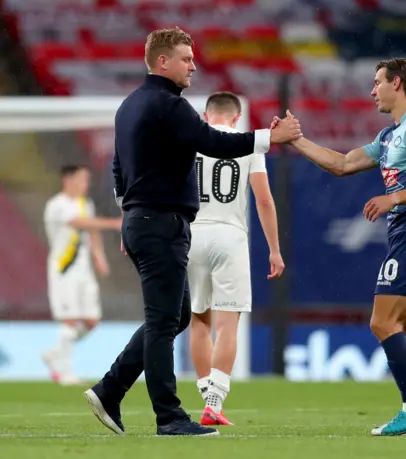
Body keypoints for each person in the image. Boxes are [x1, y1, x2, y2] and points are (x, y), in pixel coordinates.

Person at [83, 27, 301, 437]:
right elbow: (213, 141)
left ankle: (111, 388)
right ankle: (169, 416)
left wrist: (129, 213)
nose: (193, 65)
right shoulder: (170, 105)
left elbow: (117, 167)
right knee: (165, 320)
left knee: (176, 314)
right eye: (186, 58)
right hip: (160, 223)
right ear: (162, 61)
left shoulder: (129, 106)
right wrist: (271, 138)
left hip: (143, 220)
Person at [274, 57, 406, 437]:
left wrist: (394, 199)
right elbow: (342, 164)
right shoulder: (391, 136)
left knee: (382, 322)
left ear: (397, 83)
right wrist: (297, 140)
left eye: (377, 83)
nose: (372, 91)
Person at [188, 91, 284, 426]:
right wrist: (274, 249)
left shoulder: (191, 141)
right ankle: (214, 401)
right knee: (228, 322)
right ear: (236, 117)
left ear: (205, 116)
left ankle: (205, 393)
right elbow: (264, 201)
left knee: (199, 319)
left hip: (191, 233)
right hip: (229, 236)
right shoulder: (248, 144)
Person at [42, 165, 121, 385]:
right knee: (71, 319)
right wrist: (114, 223)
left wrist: (99, 256)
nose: (86, 184)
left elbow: (91, 228)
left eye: (87, 180)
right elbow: (80, 223)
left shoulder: (85, 204)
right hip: (63, 269)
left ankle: (54, 354)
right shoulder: (57, 205)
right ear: (67, 180)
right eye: (82, 179)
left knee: (92, 321)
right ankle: (66, 372)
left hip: (84, 270)